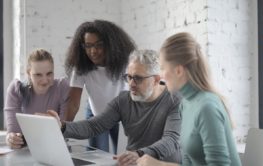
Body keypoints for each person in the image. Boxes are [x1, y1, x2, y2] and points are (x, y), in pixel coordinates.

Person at [49, 50, 182, 166]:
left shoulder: (175, 100)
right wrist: (61, 126)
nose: (131, 84)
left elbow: (171, 140)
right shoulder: (123, 100)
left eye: (138, 78)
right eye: (129, 77)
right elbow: (94, 126)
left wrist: (139, 154)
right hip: (132, 162)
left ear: (156, 79)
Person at [136, 32, 242, 166]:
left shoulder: (207, 107)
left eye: (162, 68)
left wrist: (159, 165)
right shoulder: (185, 104)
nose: (160, 75)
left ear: (179, 71)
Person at [64, 20, 136, 153]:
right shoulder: (81, 66)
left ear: (111, 44)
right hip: (96, 115)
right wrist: (63, 130)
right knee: (97, 156)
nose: (93, 51)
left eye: (99, 45)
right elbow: (73, 103)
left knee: (122, 156)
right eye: (88, 45)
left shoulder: (125, 62)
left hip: (123, 116)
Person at [4, 48, 69, 149]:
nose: (44, 80)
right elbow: (14, 133)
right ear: (28, 73)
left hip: (55, 149)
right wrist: (11, 139)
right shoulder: (16, 90)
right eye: (38, 75)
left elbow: (65, 130)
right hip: (26, 150)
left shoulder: (62, 87)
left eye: (49, 73)